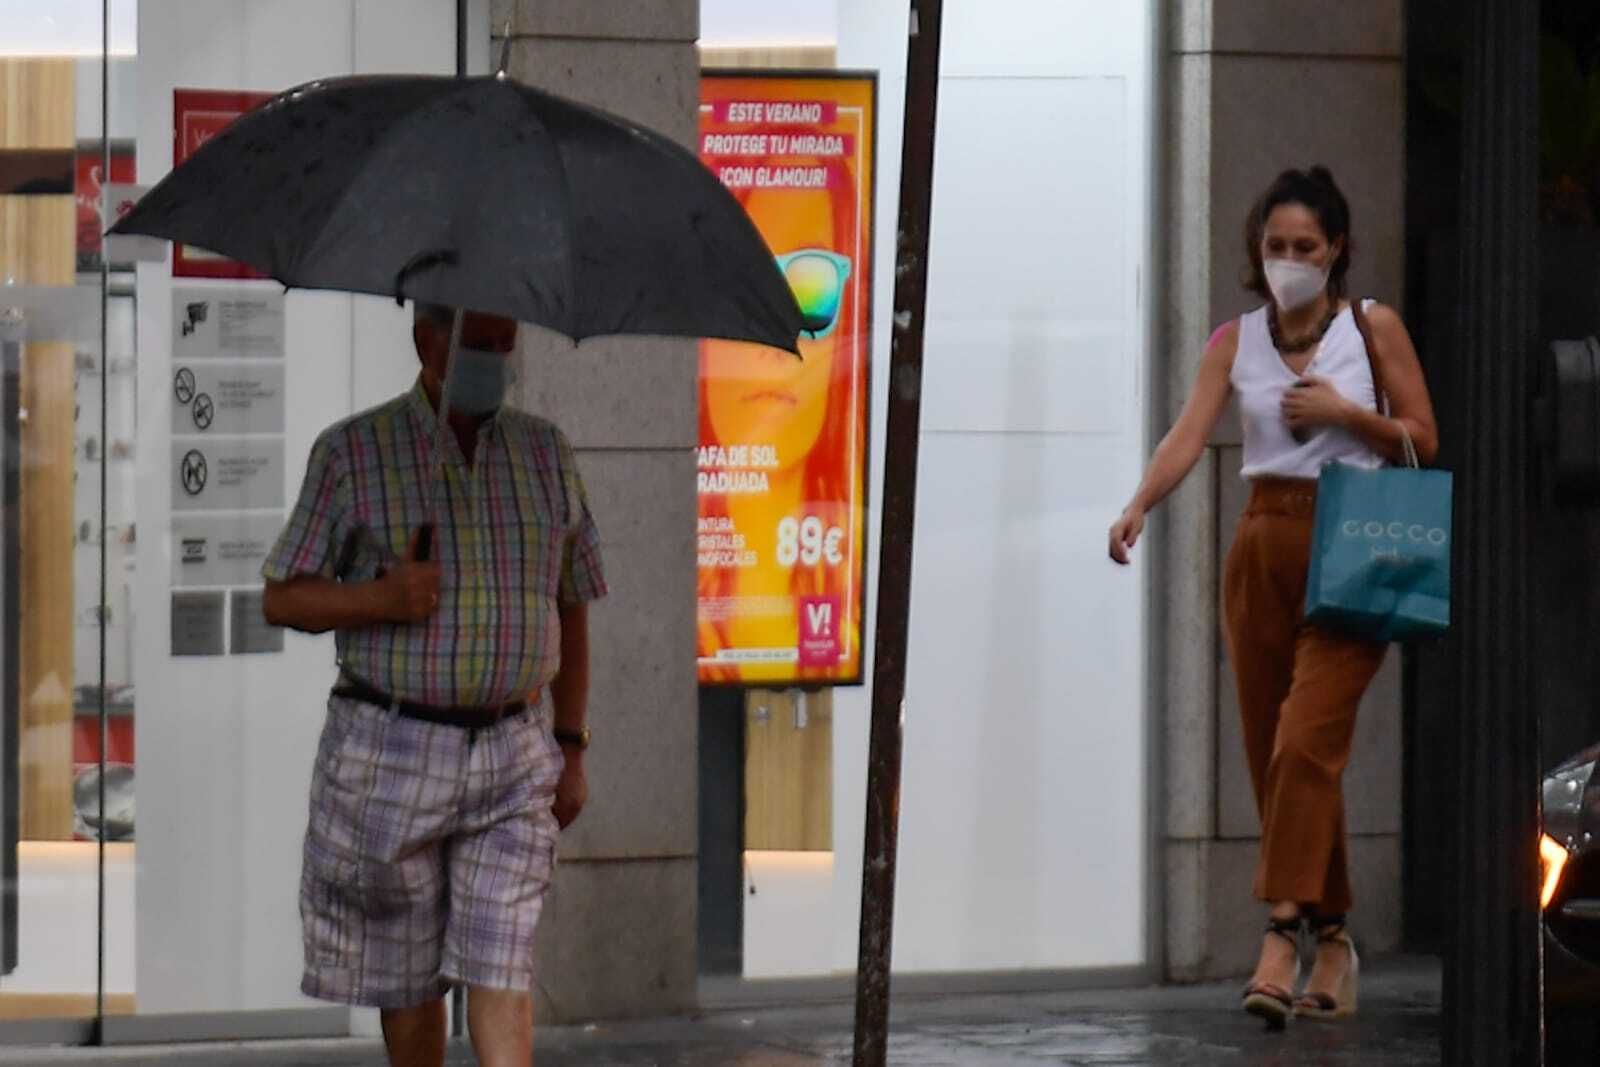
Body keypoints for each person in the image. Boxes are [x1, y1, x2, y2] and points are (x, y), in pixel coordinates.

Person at [1108, 167, 1438, 1028]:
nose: (1290, 259)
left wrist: (1343, 414)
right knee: (1272, 752)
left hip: (1354, 544)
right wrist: (1141, 501)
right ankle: (1335, 939)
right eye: (1275, 246)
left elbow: (1424, 439)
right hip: (1261, 542)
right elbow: (1191, 432)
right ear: (1258, 252)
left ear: (1336, 249)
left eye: (1305, 245)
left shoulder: (1373, 330)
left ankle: (1281, 929)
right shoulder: (1236, 339)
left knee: (1305, 744)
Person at [261, 303, 606, 1067]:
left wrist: (571, 742)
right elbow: (282, 595)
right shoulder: (355, 452)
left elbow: (574, 602)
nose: (498, 363)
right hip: (392, 747)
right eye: (480, 345)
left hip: (514, 752)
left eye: (506, 346)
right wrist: (380, 597)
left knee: (502, 962)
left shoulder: (546, 454)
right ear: (427, 339)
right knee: (408, 983)